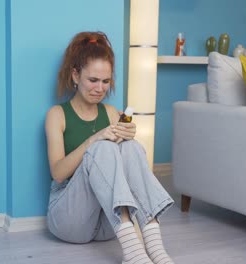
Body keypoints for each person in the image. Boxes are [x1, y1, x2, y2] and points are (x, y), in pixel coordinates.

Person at [45, 31, 175, 264]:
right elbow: (57, 173)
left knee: (132, 147)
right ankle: (135, 255)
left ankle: (153, 245)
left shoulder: (112, 113)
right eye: (92, 80)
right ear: (75, 75)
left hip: (110, 225)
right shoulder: (57, 115)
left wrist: (128, 138)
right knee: (102, 148)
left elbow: (128, 169)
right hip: (69, 220)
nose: (100, 88)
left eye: (105, 81)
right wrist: (95, 139)